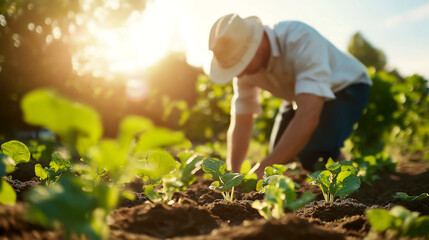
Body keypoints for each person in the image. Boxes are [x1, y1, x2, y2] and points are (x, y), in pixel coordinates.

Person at [208, 13, 371, 178]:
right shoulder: (244, 71)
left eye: (240, 65)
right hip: (297, 96)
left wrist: (263, 168)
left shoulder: (301, 38)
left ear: (257, 48)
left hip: (346, 86)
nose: (239, 74)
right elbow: (242, 120)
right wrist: (233, 175)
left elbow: (308, 114)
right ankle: (332, 150)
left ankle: (337, 160)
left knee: (313, 156)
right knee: (279, 154)